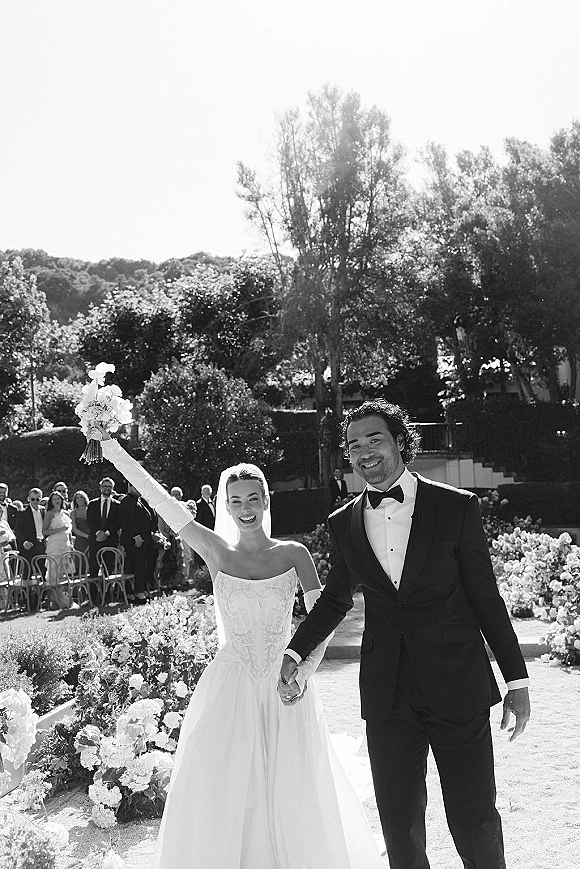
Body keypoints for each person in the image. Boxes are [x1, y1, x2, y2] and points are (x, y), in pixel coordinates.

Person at [95, 428, 385, 869]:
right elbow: (160, 501)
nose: (245, 509)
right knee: (226, 783)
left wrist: (302, 674)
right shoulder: (216, 552)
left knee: (293, 782)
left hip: (285, 683)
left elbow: (323, 622)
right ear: (224, 507)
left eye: (253, 499)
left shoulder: (294, 555)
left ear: (266, 502)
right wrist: (113, 450)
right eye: (236, 501)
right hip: (230, 684)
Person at [281, 399, 531, 869]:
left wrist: (517, 682)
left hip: (457, 684)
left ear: (400, 441)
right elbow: (336, 599)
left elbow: (486, 598)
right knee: (399, 823)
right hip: (387, 692)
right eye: (354, 445)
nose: (364, 451)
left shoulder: (456, 507)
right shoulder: (343, 522)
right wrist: (296, 651)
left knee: (474, 816)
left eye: (374, 439)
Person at [119, 482, 158, 602]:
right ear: (129, 487)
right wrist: (136, 536)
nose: (138, 489)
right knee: (135, 567)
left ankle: (139, 590)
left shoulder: (139, 500)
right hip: (134, 541)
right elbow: (127, 521)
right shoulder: (127, 501)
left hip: (143, 540)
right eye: (135, 486)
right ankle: (136, 593)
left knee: (142, 566)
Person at [15, 488, 46, 608]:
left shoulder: (43, 511)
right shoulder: (23, 513)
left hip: (41, 544)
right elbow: (18, 531)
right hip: (29, 546)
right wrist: (24, 542)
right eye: (33, 499)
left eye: (38, 499)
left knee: (44, 572)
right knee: (27, 574)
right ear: (29, 499)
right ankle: (27, 602)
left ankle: (41, 600)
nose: (35, 501)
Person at [86, 477, 121, 580]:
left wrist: (106, 533)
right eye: (105, 486)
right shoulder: (92, 504)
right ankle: (93, 594)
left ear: (112, 489)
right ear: (101, 488)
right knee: (93, 569)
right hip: (95, 540)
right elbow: (89, 521)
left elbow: (119, 522)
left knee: (108, 569)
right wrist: (98, 533)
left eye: (109, 487)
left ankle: (106, 595)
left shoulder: (117, 505)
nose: (107, 488)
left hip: (110, 540)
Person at [42, 491, 72, 608]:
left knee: (63, 572)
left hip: (65, 544)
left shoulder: (65, 513)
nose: (56, 501)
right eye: (54, 499)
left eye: (58, 498)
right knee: (53, 571)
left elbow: (68, 530)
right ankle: (55, 600)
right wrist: (60, 529)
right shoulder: (49, 513)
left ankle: (64, 599)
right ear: (51, 501)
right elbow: (45, 531)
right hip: (54, 544)